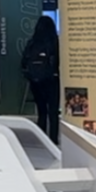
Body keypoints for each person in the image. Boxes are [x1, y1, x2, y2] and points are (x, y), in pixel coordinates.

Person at [21, 12, 60, 144]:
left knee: (41, 111)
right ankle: (53, 139)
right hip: (52, 79)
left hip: (35, 81)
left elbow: (23, 62)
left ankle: (42, 139)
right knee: (53, 112)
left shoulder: (32, 43)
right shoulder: (55, 42)